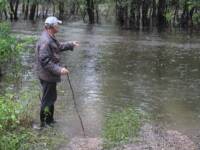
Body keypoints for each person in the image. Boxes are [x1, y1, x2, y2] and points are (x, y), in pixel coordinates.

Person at [36, 16, 79, 127]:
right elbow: (45, 61)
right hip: (47, 76)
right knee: (47, 100)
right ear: (52, 26)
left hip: (49, 75)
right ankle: (44, 124)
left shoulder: (50, 36)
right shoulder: (45, 40)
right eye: (57, 24)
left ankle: (50, 121)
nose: (58, 26)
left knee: (51, 98)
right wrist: (59, 70)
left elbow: (58, 46)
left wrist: (71, 44)